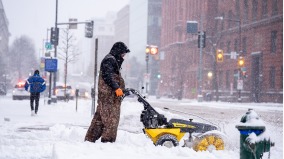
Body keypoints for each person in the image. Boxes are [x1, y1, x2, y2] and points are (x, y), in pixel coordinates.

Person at [85, 41, 130, 143]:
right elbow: (107, 75)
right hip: (109, 99)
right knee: (111, 121)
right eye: (123, 54)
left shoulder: (111, 60)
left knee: (99, 121)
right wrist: (116, 88)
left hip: (108, 98)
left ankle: (89, 140)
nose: (123, 56)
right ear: (118, 52)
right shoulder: (109, 60)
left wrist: (121, 89)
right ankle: (107, 142)